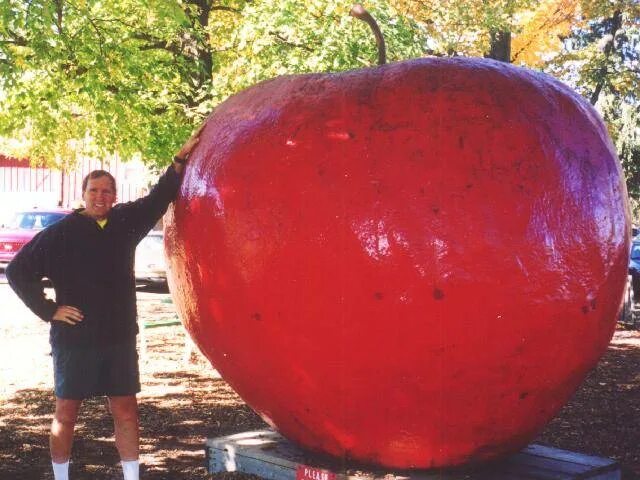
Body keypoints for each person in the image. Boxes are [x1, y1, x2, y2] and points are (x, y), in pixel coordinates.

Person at [5, 125, 204, 480]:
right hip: (75, 338)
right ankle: (61, 476)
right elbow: (19, 271)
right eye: (94, 190)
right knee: (66, 413)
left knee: (126, 410)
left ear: (114, 196)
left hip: (118, 336)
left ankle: (131, 476)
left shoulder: (125, 222)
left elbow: (159, 198)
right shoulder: (59, 235)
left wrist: (178, 160)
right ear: (84, 195)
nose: (100, 196)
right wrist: (49, 310)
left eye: (107, 191)